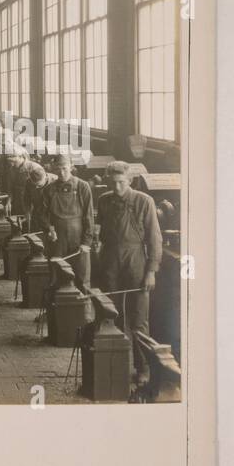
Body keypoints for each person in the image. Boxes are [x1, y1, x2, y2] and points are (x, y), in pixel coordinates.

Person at [95, 160, 163, 384]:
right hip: (110, 262)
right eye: (112, 183)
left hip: (136, 262)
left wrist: (151, 271)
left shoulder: (144, 202)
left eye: (121, 183)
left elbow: (155, 239)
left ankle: (143, 368)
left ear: (130, 180)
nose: (117, 188)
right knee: (112, 315)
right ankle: (118, 366)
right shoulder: (104, 200)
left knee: (139, 319)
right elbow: (101, 232)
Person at [40, 152, 95, 290]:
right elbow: (42, 215)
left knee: (82, 278)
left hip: (78, 238)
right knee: (57, 275)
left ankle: (82, 309)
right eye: (58, 168)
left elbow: (89, 216)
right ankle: (58, 309)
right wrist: (49, 230)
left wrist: (86, 242)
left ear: (71, 166)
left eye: (64, 168)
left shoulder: (82, 186)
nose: (62, 172)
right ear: (54, 169)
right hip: (58, 239)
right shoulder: (49, 189)